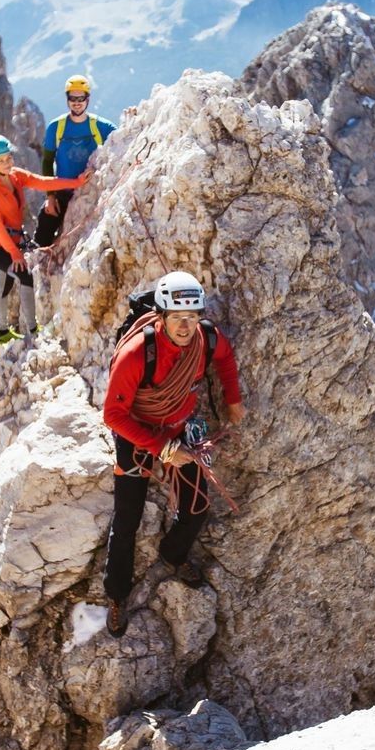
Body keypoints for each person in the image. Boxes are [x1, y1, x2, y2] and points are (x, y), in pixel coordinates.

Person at [101, 271, 246, 637]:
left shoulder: (206, 339)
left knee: (198, 507)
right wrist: (165, 449)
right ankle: (117, 596)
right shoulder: (137, 355)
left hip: (180, 425)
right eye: (177, 318)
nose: (185, 326)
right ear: (162, 316)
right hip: (137, 430)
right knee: (127, 521)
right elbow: (113, 414)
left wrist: (233, 400)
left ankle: (173, 553)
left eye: (192, 317)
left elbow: (226, 360)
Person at [0, 134, 91, 345]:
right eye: (1, 160)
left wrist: (76, 182)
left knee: (4, 283)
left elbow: (42, 182)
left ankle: (2, 332)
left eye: (8, 157)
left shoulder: (15, 176)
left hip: (12, 240)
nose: (7, 162)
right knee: (24, 276)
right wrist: (15, 253)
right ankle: (32, 328)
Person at [36, 75, 115, 248]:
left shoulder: (101, 126)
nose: (77, 102)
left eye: (81, 98)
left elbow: (125, 136)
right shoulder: (56, 127)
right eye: (73, 98)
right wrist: (50, 197)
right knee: (42, 237)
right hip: (62, 192)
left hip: (91, 192)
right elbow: (47, 162)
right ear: (67, 99)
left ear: (88, 99)